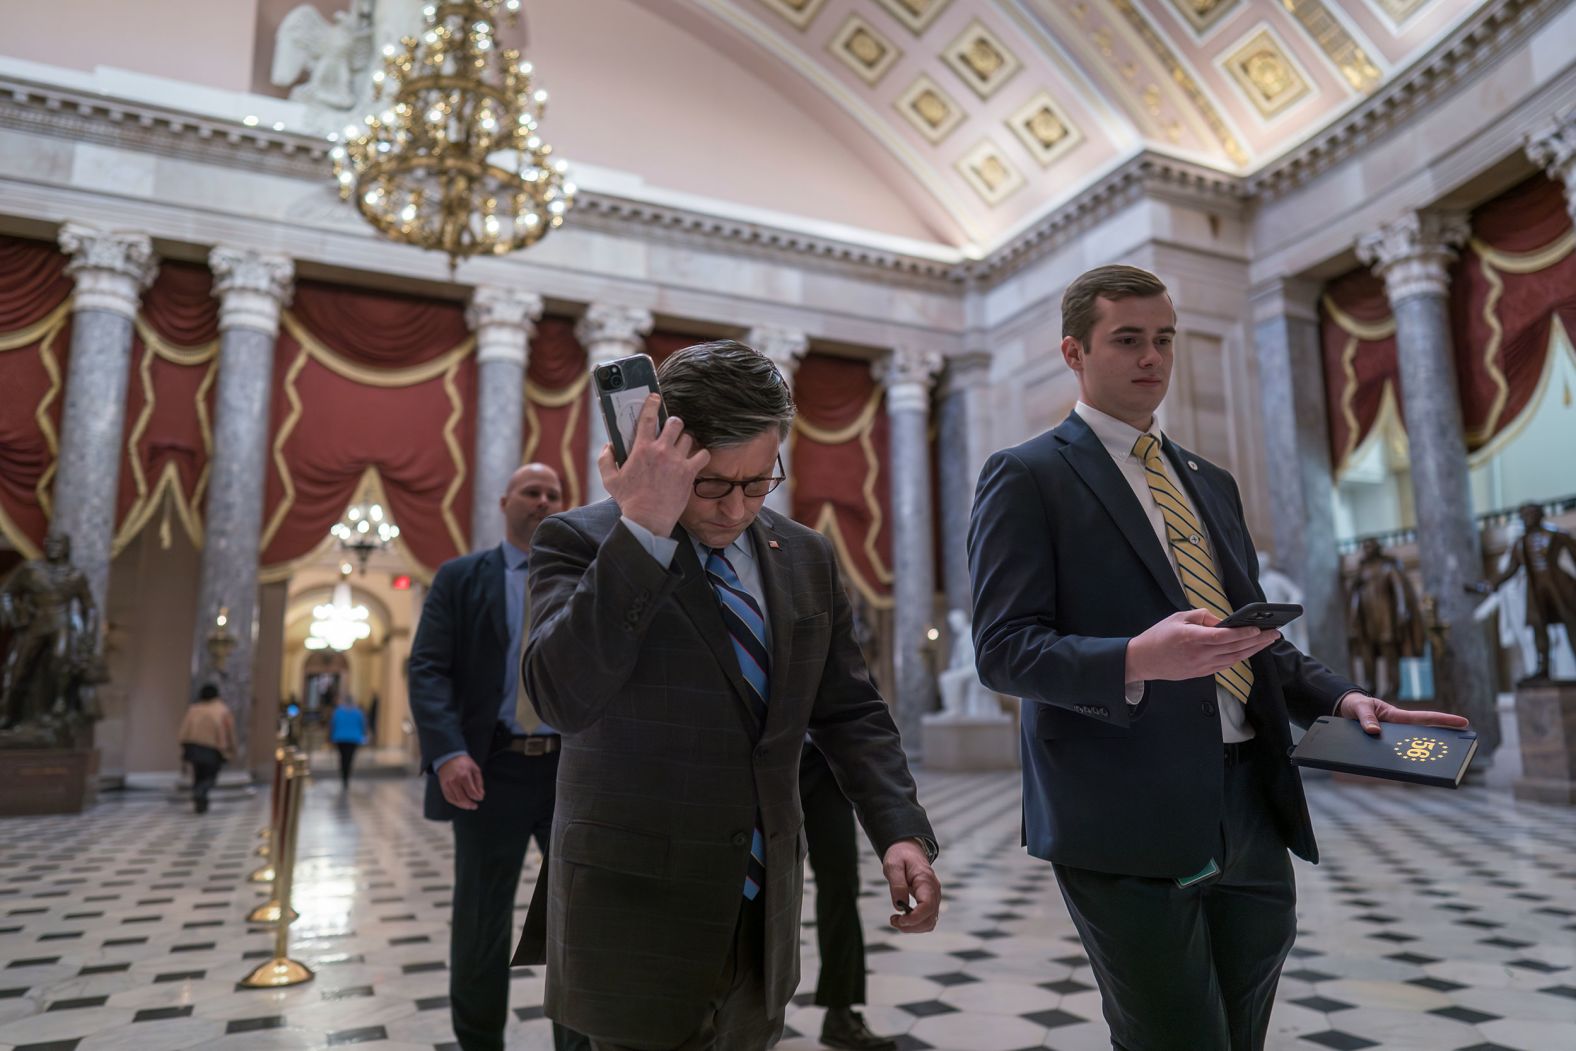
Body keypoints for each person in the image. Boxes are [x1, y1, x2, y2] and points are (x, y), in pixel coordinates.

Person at [967, 265, 1467, 1051]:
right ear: (1074, 352)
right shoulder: (1027, 475)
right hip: (1121, 812)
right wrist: (1137, 656)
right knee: (1175, 1037)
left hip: (1251, 803)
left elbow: (1254, 642)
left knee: (1242, 1031)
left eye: (1163, 339)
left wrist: (1342, 701)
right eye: (1127, 340)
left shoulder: (1210, 480)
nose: (1152, 358)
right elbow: (1002, 651)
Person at [515, 341, 940, 1051]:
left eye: (759, 481)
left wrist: (900, 828)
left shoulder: (805, 554)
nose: (739, 507)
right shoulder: (579, 541)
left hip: (761, 912)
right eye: (713, 484)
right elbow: (560, 695)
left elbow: (850, 709)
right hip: (632, 914)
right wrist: (643, 528)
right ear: (665, 447)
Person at [408, 462, 586, 1051]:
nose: (543, 501)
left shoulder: (586, 576)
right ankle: (480, 1041)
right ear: (505, 499)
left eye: (553, 494)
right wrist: (448, 753)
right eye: (531, 491)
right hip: (489, 767)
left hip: (572, 770)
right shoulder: (461, 578)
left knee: (576, 919)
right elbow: (428, 668)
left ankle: (578, 1042)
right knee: (482, 920)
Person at [800, 742, 897, 1051]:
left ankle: (840, 1014)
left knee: (841, 885)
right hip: (755, 756)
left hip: (822, 760)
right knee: (749, 884)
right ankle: (732, 1009)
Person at [177, 683, 236, 814]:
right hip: (212, 748)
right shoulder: (222, 710)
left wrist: (183, 744)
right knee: (210, 776)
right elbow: (229, 731)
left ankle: (200, 802)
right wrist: (232, 748)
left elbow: (185, 729)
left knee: (198, 775)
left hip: (194, 746)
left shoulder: (194, 709)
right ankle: (201, 792)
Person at [329, 691, 368, 788]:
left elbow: (332, 724)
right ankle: (346, 776)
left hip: (340, 738)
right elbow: (363, 725)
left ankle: (344, 775)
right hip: (353, 738)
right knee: (349, 758)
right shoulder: (358, 712)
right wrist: (364, 735)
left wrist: (330, 736)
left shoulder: (338, 711)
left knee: (342, 758)